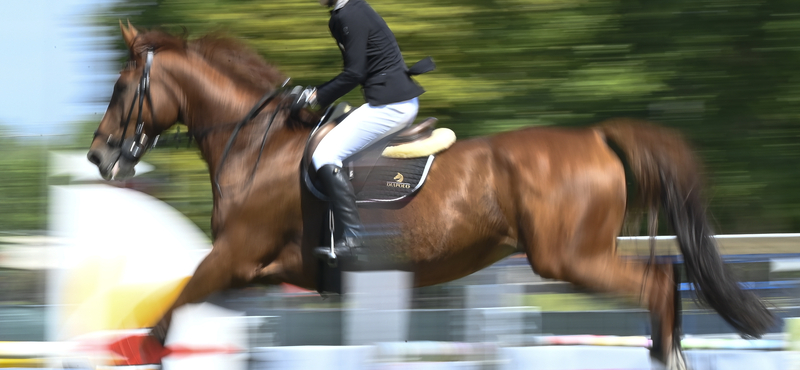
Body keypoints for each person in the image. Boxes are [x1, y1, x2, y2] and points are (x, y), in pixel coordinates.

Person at [292, 0, 434, 261]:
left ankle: (354, 239)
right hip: (390, 99)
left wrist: (314, 97)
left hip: (391, 105)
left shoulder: (348, 15)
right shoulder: (346, 12)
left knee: (324, 155)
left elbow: (354, 73)